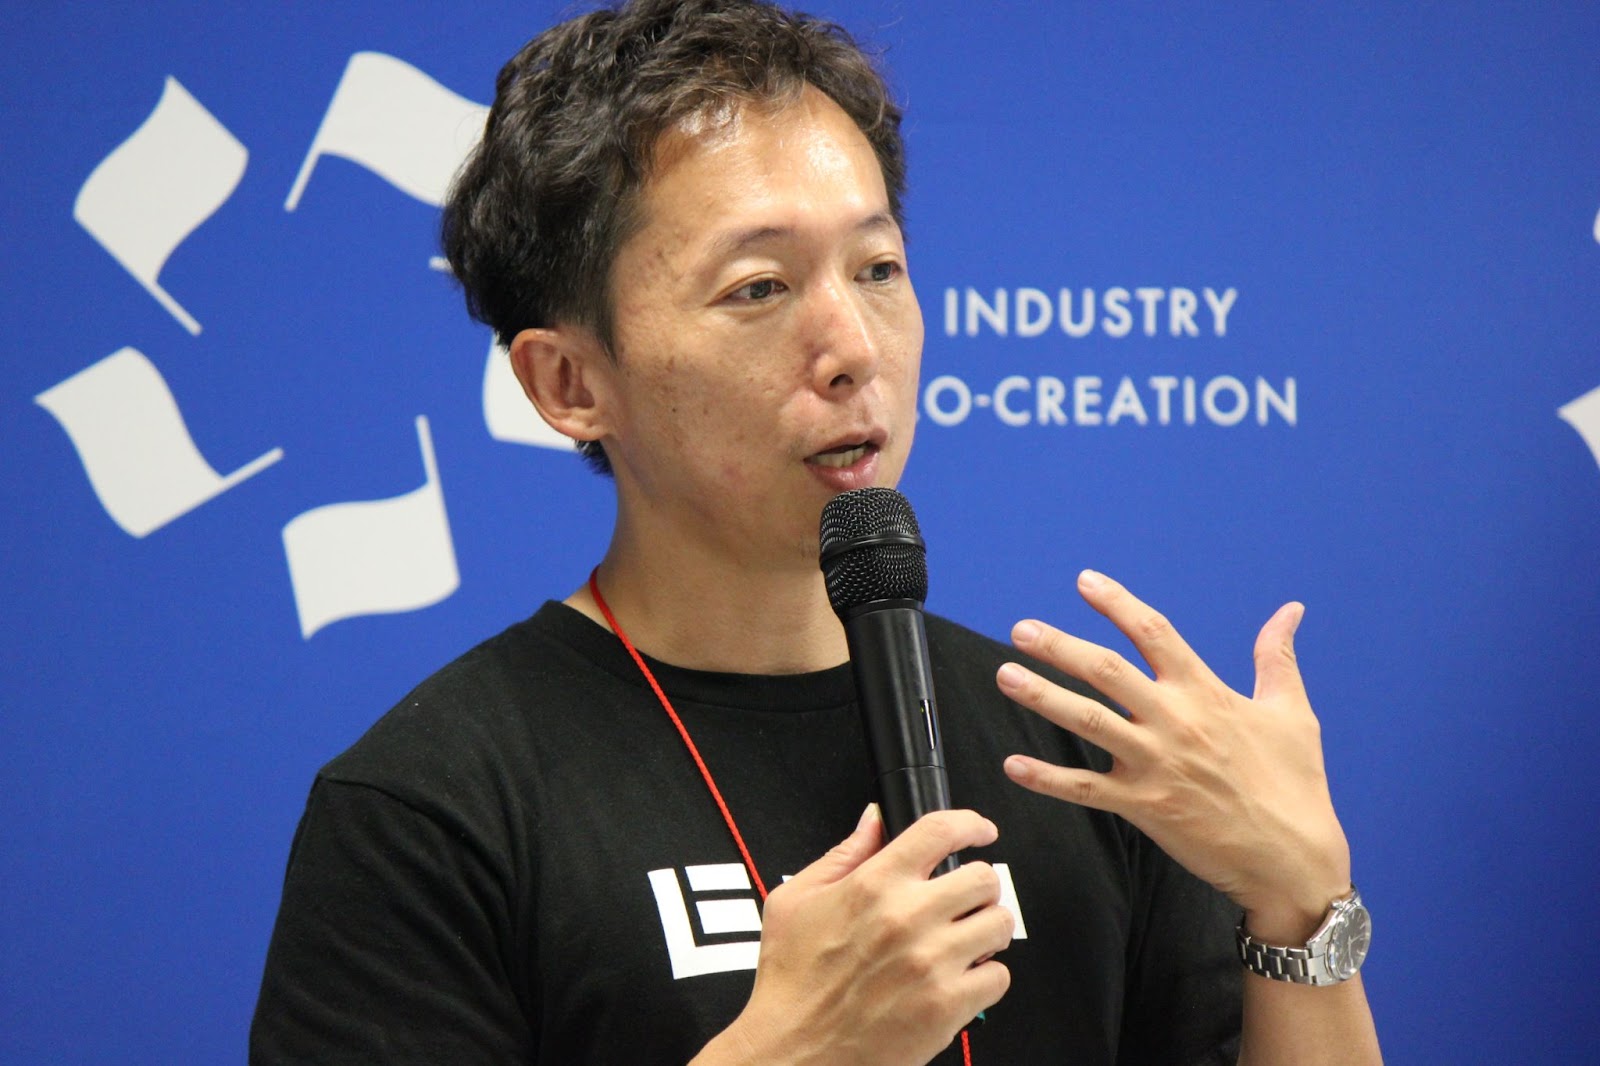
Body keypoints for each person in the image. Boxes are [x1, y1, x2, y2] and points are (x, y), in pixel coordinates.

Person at [251, 1, 1383, 1062]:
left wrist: (1301, 906)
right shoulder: (430, 810)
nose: (854, 347)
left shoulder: (1081, 760)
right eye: (759, 287)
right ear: (568, 383)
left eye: (879, 268)